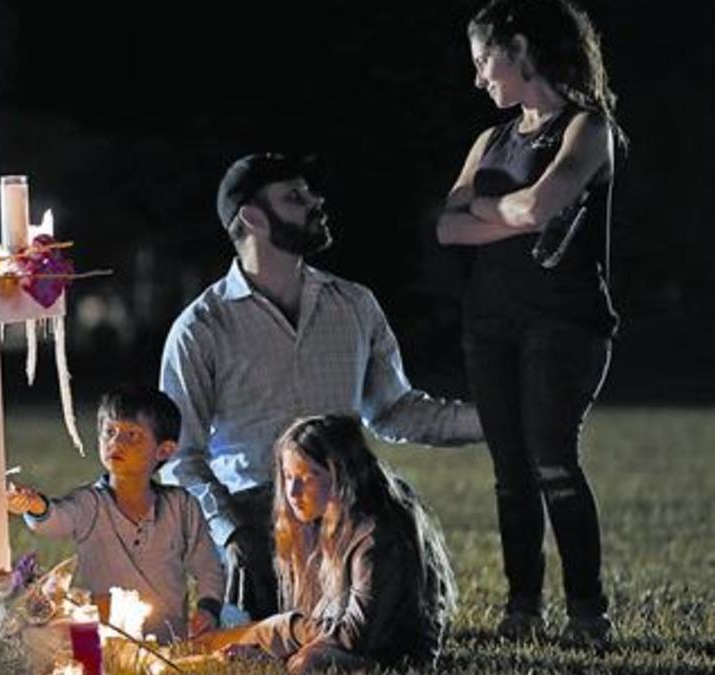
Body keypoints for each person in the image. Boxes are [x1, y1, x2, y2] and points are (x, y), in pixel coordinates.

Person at [160, 152, 483, 620]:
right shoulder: (202, 328)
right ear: (252, 217)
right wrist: (229, 530)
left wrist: (498, 419)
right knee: (266, 625)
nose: (316, 202)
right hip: (258, 508)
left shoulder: (353, 304)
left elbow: (395, 410)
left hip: (347, 501)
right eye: (295, 197)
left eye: (309, 192)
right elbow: (180, 458)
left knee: (395, 518)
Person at [435, 0, 623, 644]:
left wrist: (502, 211)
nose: (480, 77)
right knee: (510, 474)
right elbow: (447, 226)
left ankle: (587, 612)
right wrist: (508, 211)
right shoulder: (490, 141)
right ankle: (522, 607)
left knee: (553, 462)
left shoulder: (587, 128)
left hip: (565, 325)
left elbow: (543, 206)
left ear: (518, 49)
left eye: (485, 60)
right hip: (490, 325)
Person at [207, 416, 457, 671]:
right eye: (288, 476)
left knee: (308, 663)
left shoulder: (378, 537)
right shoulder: (317, 524)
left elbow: (354, 636)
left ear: (342, 473)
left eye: (307, 476)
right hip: (338, 647)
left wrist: (284, 628)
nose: (292, 492)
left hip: (391, 659)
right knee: (251, 649)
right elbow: (322, 624)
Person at [6, 386, 225, 643]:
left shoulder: (181, 506)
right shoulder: (90, 504)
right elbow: (56, 519)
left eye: (132, 435)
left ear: (164, 450)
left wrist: (208, 609)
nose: (116, 442)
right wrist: (35, 505)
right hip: (103, 641)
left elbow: (208, 567)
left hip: (167, 643)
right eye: (109, 432)